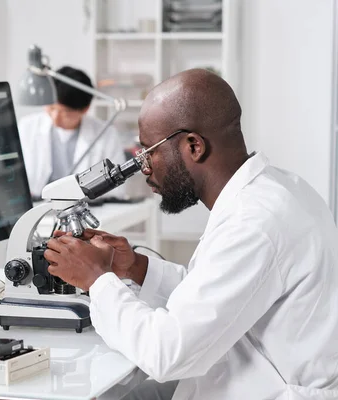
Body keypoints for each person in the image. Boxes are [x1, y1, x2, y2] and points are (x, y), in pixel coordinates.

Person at [44, 69, 338, 399]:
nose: (144, 168)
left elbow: (166, 355)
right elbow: (216, 293)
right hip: (240, 374)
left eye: (147, 152)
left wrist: (96, 280)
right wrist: (134, 269)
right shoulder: (275, 188)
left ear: (194, 146)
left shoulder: (253, 223)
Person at [18, 65, 126, 198]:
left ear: (85, 109)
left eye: (65, 113)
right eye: (51, 108)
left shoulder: (106, 134)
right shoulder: (27, 127)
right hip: (40, 208)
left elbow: (117, 190)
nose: (55, 118)